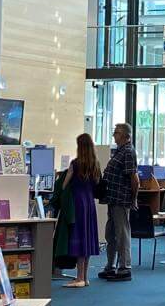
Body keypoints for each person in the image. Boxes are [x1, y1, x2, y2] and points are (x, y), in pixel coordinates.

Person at [55, 134, 101, 287]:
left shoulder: (75, 164)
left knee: (79, 238)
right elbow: (97, 184)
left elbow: (63, 185)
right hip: (89, 204)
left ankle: (79, 277)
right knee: (87, 238)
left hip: (77, 203)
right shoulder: (96, 164)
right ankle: (85, 277)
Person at [99, 123, 138, 281]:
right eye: (114, 132)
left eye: (117, 133)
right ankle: (111, 266)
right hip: (112, 199)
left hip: (121, 199)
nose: (114, 135)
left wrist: (133, 199)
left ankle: (124, 268)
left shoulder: (128, 152)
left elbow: (134, 179)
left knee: (122, 234)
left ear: (126, 136)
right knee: (111, 234)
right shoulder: (119, 151)